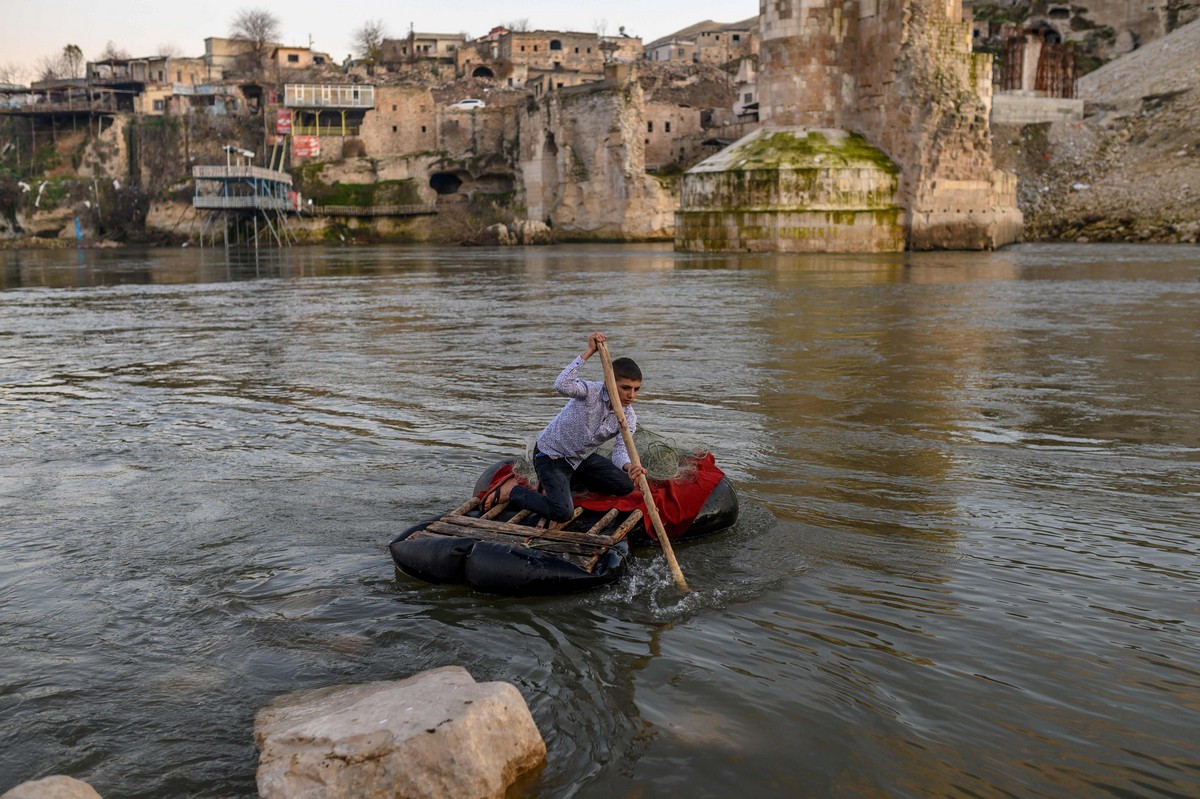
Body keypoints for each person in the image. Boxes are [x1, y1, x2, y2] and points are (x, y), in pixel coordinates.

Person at [483, 332, 647, 522]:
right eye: (625, 388)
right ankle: (513, 491)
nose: (631, 395)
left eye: (636, 389)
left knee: (625, 486)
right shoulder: (591, 391)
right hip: (551, 456)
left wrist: (629, 466)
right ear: (609, 381)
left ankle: (562, 484)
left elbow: (620, 451)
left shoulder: (628, 417)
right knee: (562, 513)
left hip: (580, 459)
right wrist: (589, 352)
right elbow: (561, 384)